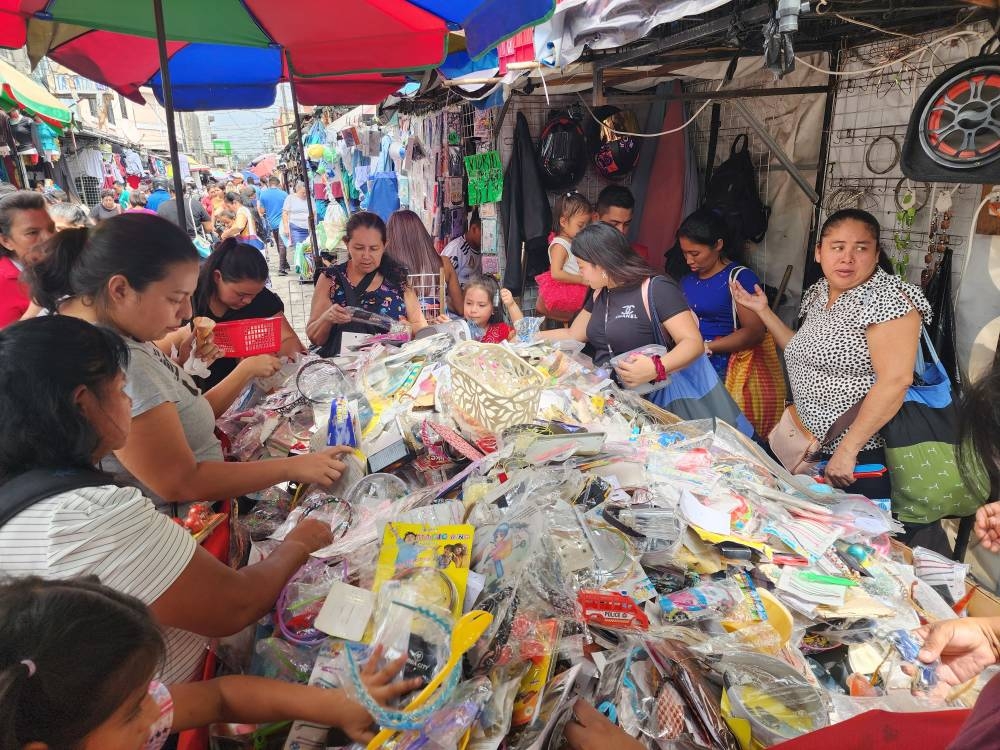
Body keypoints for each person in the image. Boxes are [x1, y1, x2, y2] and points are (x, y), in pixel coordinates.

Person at [0, 317, 346, 684]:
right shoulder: (88, 518)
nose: (130, 402)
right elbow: (234, 605)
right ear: (84, 405)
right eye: (120, 390)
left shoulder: (30, 490)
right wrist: (301, 541)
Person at [28, 214, 352, 514]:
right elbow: (180, 481)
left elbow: (183, 416)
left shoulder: (128, 339)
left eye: (188, 298)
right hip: (174, 537)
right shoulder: (116, 362)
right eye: (174, 298)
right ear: (120, 290)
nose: (185, 313)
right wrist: (292, 467)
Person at [0, 579, 421, 749]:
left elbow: (219, 697)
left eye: (149, 689)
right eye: (133, 711)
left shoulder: (97, 719)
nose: (156, 707)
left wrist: (336, 705)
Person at [731, 208, 930, 501]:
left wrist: (848, 450)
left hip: (856, 460)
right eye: (837, 247)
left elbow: (896, 380)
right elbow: (801, 349)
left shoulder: (886, 300)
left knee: (848, 542)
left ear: (876, 255)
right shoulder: (822, 292)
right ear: (819, 252)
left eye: (861, 248)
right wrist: (763, 311)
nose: (847, 258)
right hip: (808, 445)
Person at [538, 222, 702, 389]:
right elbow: (573, 334)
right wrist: (530, 338)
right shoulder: (600, 292)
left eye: (581, 266)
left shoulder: (656, 288)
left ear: (601, 263)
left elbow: (693, 342)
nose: (580, 273)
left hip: (651, 397)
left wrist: (655, 367)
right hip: (610, 397)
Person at [306, 211, 426, 356]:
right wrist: (327, 317)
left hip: (388, 370)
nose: (366, 256)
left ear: (384, 245)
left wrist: (409, 328)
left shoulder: (397, 278)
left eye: (374, 249)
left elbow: (420, 325)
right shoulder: (330, 279)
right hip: (343, 371)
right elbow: (315, 337)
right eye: (359, 248)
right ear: (346, 243)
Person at [191, 239, 305, 390]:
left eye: (254, 295)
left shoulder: (259, 297)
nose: (248, 301)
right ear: (217, 277)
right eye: (241, 294)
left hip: (253, 391)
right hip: (205, 392)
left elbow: (288, 338)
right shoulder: (192, 298)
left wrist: (281, 362)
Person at [678, 208, 765, 377]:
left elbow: (755, 332)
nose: (688, 260)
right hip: (688, 366)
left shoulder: (739, 278)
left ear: (718, 245)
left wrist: (706, 347)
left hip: (726, 372)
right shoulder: (686, 281)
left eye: (695, 253)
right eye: (684, 253)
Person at [386, 209, 463, 316]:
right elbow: (460, 309)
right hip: (436, 328)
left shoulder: (387, 268)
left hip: (402, 328)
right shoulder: (444, 263)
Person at [0, 190, 54, 328]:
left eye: (51, 228)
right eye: (32, 233)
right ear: (6, 241)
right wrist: (34, 311)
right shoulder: (3, 283)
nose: (49, 238)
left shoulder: (61, 263)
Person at [535, 191, 591, 318]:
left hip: (578, 287)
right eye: (581, 225)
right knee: (572, 320)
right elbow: (556, 273)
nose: (585, 229)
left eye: (587, 225)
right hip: (566, 290)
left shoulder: (573, 241)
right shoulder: (560, 245)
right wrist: (582, 280)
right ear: (564, 222)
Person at [460, 274, 523, 343]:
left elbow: (522, 334)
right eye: (469, 303)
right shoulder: (458, 330)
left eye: (481, 305)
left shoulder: (500, 331)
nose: (473, 310)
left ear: (493, 308)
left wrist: (512, 305)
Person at [595, 184, 650, 259]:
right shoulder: (580, 254)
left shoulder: (639, 255)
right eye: (614, 224)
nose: (621, 231)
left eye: (626, 224)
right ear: (596, 218)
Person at [440, 209, 483, 288]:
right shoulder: (456, 250)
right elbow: (442, 284)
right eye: (484, 233)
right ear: (474, 229)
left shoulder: (481, 250)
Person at [258, 175, 290, 274]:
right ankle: (281, 268)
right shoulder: (284, 194)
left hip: (272, 223)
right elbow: (288, 210)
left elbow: (262, 211)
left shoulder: (263, 195)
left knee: (279, 243)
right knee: (282, 245)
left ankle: (285, 263)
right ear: (278, 184)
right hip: (283, 222)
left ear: (269, 184)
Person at [283, 180, 311, 249]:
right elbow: (285, 213)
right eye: (303, 193)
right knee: (299, 249)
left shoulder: (310, 199)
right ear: (297, 191)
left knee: (310, 249)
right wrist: (286, 227)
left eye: (306, 193)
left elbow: (314, 212)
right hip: (297, 228)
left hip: (309, 228)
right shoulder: (290, 198)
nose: (305, 194)